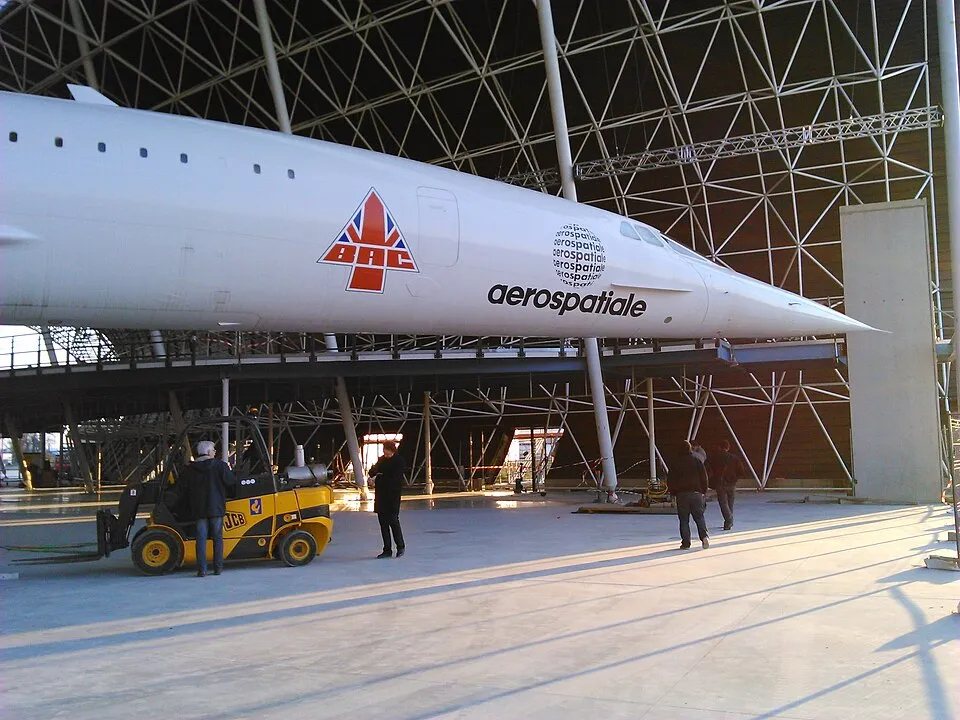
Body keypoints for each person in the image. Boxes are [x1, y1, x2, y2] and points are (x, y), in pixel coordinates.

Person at [183, 440, 237, 577]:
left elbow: (184, 488)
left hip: (199, 508)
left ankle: (202, 570)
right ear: (208, 452)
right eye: (213, 450)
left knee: (201, 538)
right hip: (216, 507)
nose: (215, 452)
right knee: (217, 538)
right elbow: (231, 482)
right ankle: (218, 568)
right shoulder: (220, 466)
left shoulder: (190, 469)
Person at [667, 439, 709, 550]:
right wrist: (703, 491)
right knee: (699, 517)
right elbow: (704, 477)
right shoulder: (697, 461)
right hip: (696, 493)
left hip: (682, 494)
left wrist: (673, 493)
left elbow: (671, 479)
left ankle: (686, 543)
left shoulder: (676, 463)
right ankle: (704, 537)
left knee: (684, 520)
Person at [369, 441, 406, 558]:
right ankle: (387, 549)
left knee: (393, 521)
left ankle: (400, 546)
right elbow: (372, 472)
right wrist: (374, 473)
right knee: (383, 524)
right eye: (384, 451)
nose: (385, 453)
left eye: (387, 452)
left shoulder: (399, 461)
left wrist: (380, 476)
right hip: (381, 495)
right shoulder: (381, 460)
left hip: (392, 496)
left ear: (392, 450)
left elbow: (395, 478)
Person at [710, 440, 744, 530]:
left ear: (719, 447)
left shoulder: (715, 458)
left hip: (720, 483)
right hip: (731, 483)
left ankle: (729, 519)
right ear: (728, 448)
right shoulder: (734, 458)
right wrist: (735, 479)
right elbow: (741, 471)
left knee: (723, 503)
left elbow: (710, 469)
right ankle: (729, 522)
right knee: (730, 504)